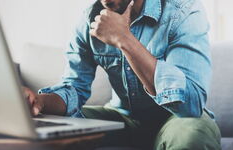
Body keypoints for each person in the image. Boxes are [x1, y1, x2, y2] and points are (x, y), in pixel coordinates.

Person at [23, 0, 221, 149]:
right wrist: (40, 101)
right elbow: (74, 87)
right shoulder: (89, 18)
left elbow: (192, 104)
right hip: (121, 118)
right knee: (46, 129)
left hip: (176, 118)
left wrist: (124, 39)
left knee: (192, 133)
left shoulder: (183, 12)